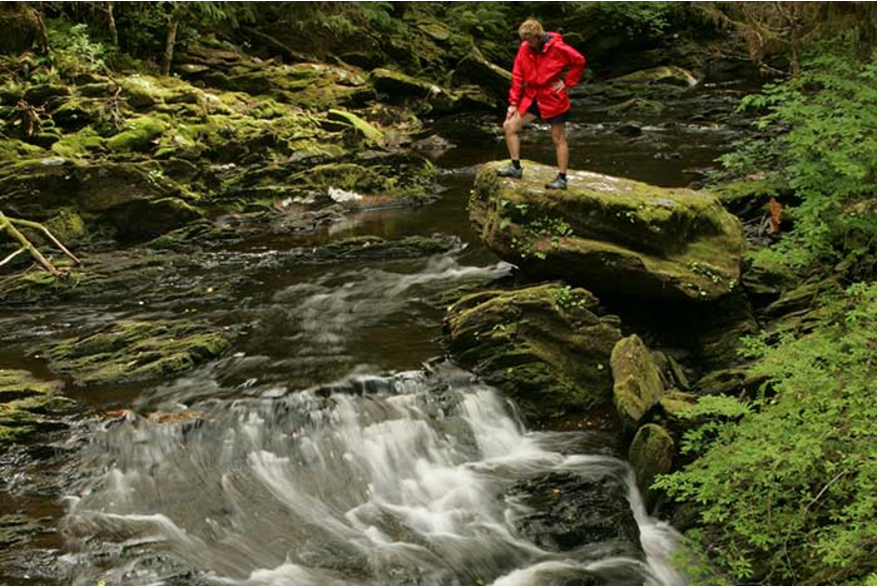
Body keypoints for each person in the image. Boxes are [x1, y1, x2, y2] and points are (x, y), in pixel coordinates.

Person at [497, 19, 586, 190]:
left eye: (530, 41)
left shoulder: (558, 47)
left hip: (553, 98)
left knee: (558, 138)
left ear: (538, 37)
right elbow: (517, 75)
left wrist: (567, 82)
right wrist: (513, 103)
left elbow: (579, 61)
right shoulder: (525, 48)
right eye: (525, 40)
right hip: (532, 96)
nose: (527, 44)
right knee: (509, 126)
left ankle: (562, 178)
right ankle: (515, 167)